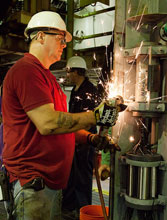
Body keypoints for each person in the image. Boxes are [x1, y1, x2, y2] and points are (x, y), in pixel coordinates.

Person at [1, 11, 120, 220]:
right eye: (60, 39)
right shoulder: (26, 71)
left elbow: (63, 125)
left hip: (50, 185)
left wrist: (90, 137)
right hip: (33, 184)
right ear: (40, 36)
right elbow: (48, 123)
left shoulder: (48, 78)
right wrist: (95, 116)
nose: (64, 45)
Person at [62, 56, 100, 220]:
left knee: (82, 179)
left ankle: (83, 210)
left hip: (84, 142)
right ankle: (69, 207)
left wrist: (80, 135)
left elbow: (89, 119)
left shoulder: (89, 90)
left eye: (69, 71)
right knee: (71, 177)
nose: (67, 75)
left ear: (76, 71)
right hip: (73, 140)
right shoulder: (76, 90)